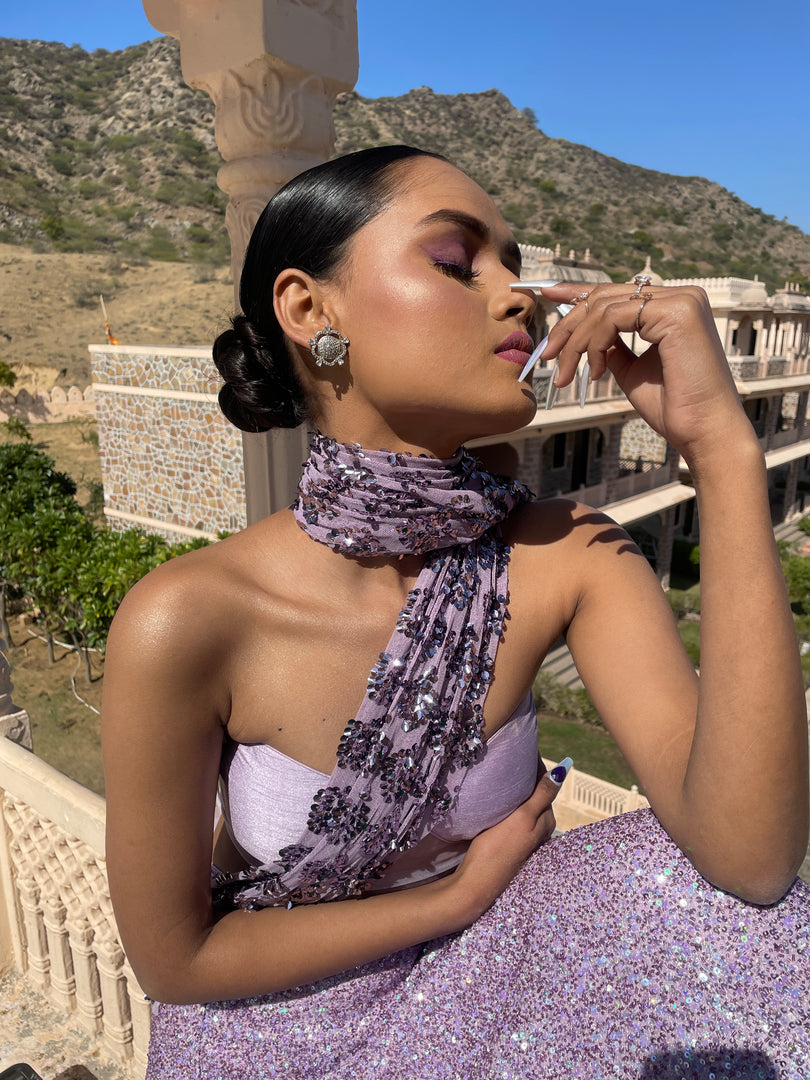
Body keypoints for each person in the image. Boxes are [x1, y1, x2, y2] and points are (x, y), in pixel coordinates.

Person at [102, 145, 810, 1079]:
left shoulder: (567, 555)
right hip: (271, 1031)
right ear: (312, 310)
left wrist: (721, 452)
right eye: (455, 262)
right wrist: (450, 899)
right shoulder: (190, 617)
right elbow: (174, 960)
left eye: (514, 265)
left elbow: (753, 863)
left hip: (497, 990)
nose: (516, 293)